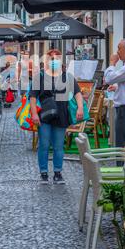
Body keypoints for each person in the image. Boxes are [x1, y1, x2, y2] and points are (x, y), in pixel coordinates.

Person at [30, 49, 84, 185]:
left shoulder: (67, 77)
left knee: (59, 145)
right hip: (45, 116)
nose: (54, 61)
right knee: (43, 144)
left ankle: (58, 173)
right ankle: (43, 173)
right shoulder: (40, 77)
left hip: (61, 115)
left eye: (56, 59)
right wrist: (34, 114)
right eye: (51, 59)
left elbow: (77, 93)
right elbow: (32, 97)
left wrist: (80, 108)